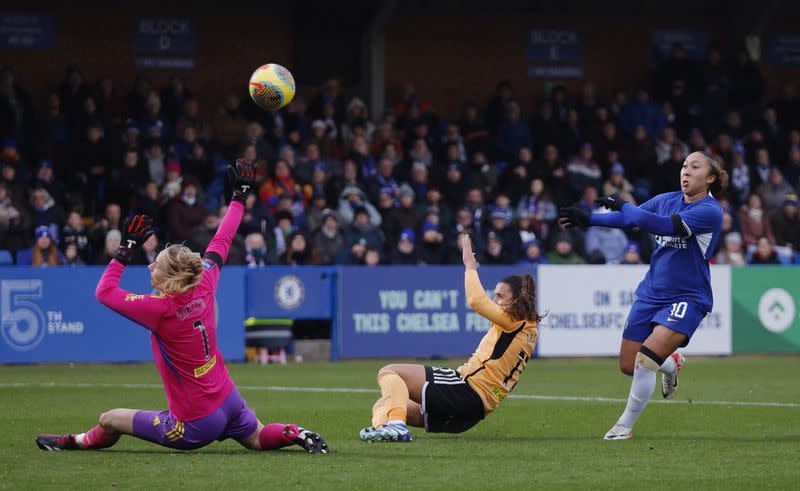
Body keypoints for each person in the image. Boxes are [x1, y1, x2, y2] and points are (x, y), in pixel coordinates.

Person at [36, 159, 328, 454]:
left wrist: (124, 250)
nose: (151, 266)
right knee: (258, 436)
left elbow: (105, 292)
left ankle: (72, 442)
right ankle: (294, 432)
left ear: (171, 276)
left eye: (157, 266)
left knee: (109, 419)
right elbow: (223, 238)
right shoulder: (205, 280)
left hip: (196, 423)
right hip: (228, 399)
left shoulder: (159, 308)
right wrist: (239, 196)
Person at [558, 151, 727, 440]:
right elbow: (630, 221)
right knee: (628, 365)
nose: (686, 171)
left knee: (646, 360)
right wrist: (588, 219)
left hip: (688, 297)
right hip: (651, 292)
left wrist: (624, 203)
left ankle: (624, 426)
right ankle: (671, 364)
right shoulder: (666, 199)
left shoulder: (709, 211)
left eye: (695, 167)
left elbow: (656, 224)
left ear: (710, 178)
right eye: (684, 165)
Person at [359, 234, 541, 442]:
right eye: (495, 295)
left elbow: (476, 301)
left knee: (389, 371)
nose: (495, 300)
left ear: (516, 301)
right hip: (472, 413)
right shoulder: (528, 328)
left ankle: (397, 427)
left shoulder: (514, 321)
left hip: (466, 390)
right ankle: (384, 430)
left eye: (500, 296)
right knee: (384, 403)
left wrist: (470, 266)